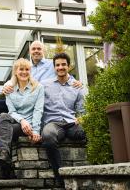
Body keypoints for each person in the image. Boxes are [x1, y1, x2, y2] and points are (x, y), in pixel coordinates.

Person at [0, 40, 82, 119]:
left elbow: (64, 73)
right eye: (33, 49)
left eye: (39, 49)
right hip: (27, 98)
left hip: (44, 99)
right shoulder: (26, 66)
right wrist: (7, 86)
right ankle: (7, 131)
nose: (36, 51)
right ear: (30, 52)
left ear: (43, 51)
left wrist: (76, 82)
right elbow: (14, 77)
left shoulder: (52, 64)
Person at [40, 53, 86, 185]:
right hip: (53, 124)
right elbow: (25, 83)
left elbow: (82, 111)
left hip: (72, 123)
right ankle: (60, 177)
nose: (60, 67)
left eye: (63, 64)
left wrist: (81, 119)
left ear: (69, 66)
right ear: (54, 68)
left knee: (89, 132)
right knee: (47, 136)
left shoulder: (77, 86)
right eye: (57, 65)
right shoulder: (44, 85)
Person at [0, 58, 44, 174]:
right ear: (16, 71)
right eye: (21, 69)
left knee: (5, 131)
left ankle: (4, 161)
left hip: (31, 125)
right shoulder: (10, 89)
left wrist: (36, 131)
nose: (24, 72)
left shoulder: (38, 88)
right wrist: (22, 121)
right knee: (3, 116)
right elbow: (11, 111)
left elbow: (38, 110)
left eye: (27, 69)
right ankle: (4, 155)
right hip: (18, 123)